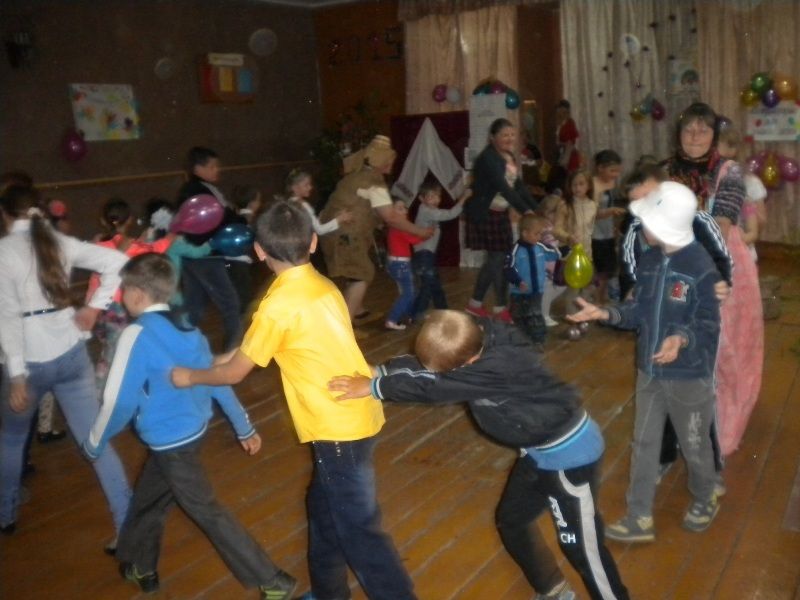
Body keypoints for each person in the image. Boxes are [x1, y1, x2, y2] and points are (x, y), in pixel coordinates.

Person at [171, 200, 416, 600]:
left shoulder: (278, 305)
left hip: (337, 430)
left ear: (259, 251)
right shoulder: (323, 285)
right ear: (313, 242)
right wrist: (210, 361)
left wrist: (189, 376)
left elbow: (235, 372)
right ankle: (329, 592)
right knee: (323, 511)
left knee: (359, 531)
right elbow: (249, 354)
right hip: (354, 414)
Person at [328, 310, 629, 600]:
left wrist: (376, 386)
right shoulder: (474, 336)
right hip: (537, 452)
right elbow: (435, 363)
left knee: (583, 551)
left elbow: (432, 387)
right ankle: (553, 588)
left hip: (569, 458)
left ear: (468, 361)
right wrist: (383, 370)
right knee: (512, 521)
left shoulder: (493, 369)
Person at [81, 254, 295, 598]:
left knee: (206, 509)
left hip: (171, 441)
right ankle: (141, 566)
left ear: (136, 294)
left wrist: (95, 441)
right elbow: (214, 378)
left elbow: (118, 401)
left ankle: (272, 580)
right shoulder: (186, 327)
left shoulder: (135, 335)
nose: (121, 296)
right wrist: (243, 426)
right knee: (148, 502)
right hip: (191, 433)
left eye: (123, 289)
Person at [570, 181, 722, 542]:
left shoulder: (701, 267)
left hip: (688, 376)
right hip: (649, 371)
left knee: (694, 443)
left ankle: (706, 496)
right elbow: (637, 310)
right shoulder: (651, 259)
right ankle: (639, 516)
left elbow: (707, 322)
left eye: (648, 221)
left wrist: (680, 338)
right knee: (644, 443)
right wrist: (605, 313)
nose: (641, 227)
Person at [0, 185, 131, 539]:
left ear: (5, 213)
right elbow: (118, 262)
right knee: (95, 439)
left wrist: (16, 375)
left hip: (29, 362)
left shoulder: (4, 252)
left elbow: (7, 317)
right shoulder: (58, 241)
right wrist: (93, 308)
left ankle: (6, 514)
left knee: (11, 439)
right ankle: (126, 520)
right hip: (71, 353)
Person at [664, 103, 762, 457]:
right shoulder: (667, 170)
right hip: (674, 262)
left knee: (723, 348)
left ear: (713, 135)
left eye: (702, 130)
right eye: (688, 129)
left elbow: (720, 224)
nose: (694, 136)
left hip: (719, 265)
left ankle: (718, 428)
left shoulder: (728, 171)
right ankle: (680, 425)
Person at [319, 135, 430, 321]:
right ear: (381, 159)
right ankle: (344, 324)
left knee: (355, 272)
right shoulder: (373, 182)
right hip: (345, 235)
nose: (391, 163)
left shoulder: (360, 174)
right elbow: (391, 217)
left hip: (337, 233)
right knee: (362, 274)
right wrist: (420, 231)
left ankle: (357, 308)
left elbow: (373, 210)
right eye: (389, 159)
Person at [90, 198, 174, 386]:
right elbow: (160, 247)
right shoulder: (138, 248)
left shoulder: (96, 246)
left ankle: (104, 387)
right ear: (129, 220)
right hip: (121, 307)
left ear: (103, 220)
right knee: (117, 352)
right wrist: (174, 232)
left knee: (110, 349)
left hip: (99, 307)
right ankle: (106, 390)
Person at [464, 118, 539, 321]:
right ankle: (499, 308)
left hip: (499, 213)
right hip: (485, 214)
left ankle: (475, 305)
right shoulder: (488, 158)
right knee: (498, 260)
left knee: (496, 260)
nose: (510, 138)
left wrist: (536, 208)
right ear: (492, 137)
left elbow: (518, 186)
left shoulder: (509, 156)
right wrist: (525, 211)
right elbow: (504, 188)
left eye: (512, 134)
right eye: (504, 135)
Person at [176, 146, 243, 351]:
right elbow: (221, 217)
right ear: (198, 168)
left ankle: (178, 347)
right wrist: (239, 218)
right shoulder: (200, 191)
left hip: (192, 254)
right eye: (212, 166)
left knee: (194, 306)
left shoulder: (190, 190)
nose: (217, 170)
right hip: (206, 255)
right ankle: (232, 352)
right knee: (230, 303)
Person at [411, 181, 468, 320]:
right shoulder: (427, 211)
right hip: (424, 255)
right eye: (431, 197)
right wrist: (464, 198)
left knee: (434, 284)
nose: (436, 199)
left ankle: (443, 310)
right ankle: (417, 313)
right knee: (427, 286)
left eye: (437, 196)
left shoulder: (427, 209)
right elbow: (450, 214)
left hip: (427, 254)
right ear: (421, 198)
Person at [505, 214, 559, 348]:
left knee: (535, 315)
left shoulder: (540, 246)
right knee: (518, 316)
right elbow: (508, 268)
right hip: (518, 293)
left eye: (540, 233)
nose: (539, 237)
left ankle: (538, 341)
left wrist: (566, 248)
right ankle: (519, 341)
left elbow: (554, 254)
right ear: (525, 233)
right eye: (536, 234)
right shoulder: (515, 250)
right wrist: (518, 281)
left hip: (536, 291)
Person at [716, 125, 767, 262]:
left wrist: (737, 239)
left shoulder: (750, 182)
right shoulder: (707, 181)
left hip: (741, 254)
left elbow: (760, 221)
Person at [385, 200, 428, 330]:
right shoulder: (399, 227)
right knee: (408, 293)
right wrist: (427, 233)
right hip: (401, 265)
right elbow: (414, 240)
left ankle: (409, 315)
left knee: (408, 292)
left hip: (396, 263)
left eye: (405, 207)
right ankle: (392, 319)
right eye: (400, 208)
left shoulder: (395, 227)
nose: (405, 210)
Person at [591, 150, 626, 305]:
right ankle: (596, 299)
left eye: (618, 171)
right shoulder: (592, 185)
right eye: (612, 171)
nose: (616, 175)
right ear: (600, 168)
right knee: (600, 269)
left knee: (608, 269)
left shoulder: (610, 184)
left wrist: (614, 225)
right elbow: (590, 214)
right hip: (595, 233)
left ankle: (602, 297)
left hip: (607, 232)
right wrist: (610, 212)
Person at [286, 168, 353, 236]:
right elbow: (320, 230)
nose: (310, 187)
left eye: (310, 184)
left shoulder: (288, 203)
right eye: (306, 185)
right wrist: (340, 219)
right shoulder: (303, 205)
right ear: (295, 188)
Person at [554, 99, 581, 173]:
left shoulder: (570, 123)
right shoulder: (559, 123)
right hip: (561, 153)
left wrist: (560, 144)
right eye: (559, 111)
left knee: (570, 175)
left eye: (563, 111)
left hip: (569, 155)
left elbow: (570, 142)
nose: (560, 113)